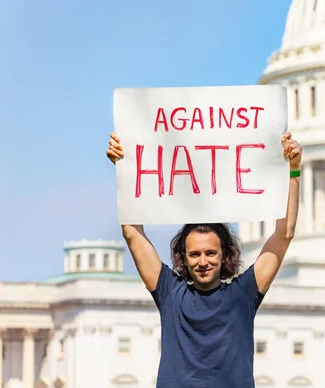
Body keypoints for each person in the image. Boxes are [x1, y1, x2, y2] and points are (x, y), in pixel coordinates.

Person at [105, 131, 301, 387]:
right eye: (195, 254)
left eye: (210, 253)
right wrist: (125, 167)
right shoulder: (169, 293)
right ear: (183, 259)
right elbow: (132, 232)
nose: (203, 261)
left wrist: (293, 172)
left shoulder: (244, 293)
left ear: (224, 255)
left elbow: (283, 235)